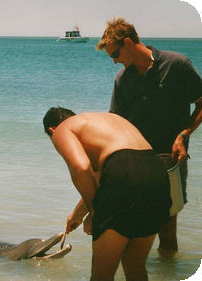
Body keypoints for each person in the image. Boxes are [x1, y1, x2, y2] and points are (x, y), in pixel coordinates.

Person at [96, 17, 202, 253]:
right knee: (131, 235)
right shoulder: (122, 80)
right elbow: (117, 125)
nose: (114, 62)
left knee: (167, 234)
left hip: (171, 161)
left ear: (128, 43)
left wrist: (184, 134)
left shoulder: (177, 64)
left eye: (115, 54)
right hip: (135, 164)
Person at [43, 107, 171, 281]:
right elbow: (105, 173)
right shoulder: (103, 121)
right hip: (157, 172)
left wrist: (95, 213)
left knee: (102, 275)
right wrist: (78, 214)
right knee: (135, 268)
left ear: (52, 130)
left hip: (123, 170)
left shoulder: (62, 129)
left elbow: (81, 168)